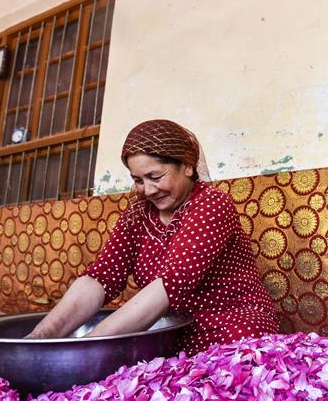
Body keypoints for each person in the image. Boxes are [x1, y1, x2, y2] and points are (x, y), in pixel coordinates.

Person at [28, 119, 279, 354]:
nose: (147, 190)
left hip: (230, 331)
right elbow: (102, 277)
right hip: (172, 335)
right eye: (137, 180)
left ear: (187, 166)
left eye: (155, 177)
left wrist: (84, 349)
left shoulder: (211, 205)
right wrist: (42, 336)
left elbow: (173, 282)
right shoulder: (138, 214)